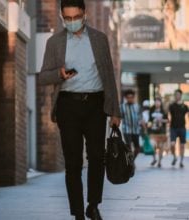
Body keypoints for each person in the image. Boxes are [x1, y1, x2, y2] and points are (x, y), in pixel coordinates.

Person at [38, 0, 121, 219]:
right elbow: (43, 76)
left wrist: (115, 111)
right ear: (61, 17)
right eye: (68, 18)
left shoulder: (100, 40)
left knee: (97, 157)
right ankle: (77, 213)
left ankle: (93, 205)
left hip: (95, 105)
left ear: (84, 14)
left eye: (76, 17)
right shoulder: (55, 43)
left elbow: (109, 77)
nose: (72, 22)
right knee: (72, 162)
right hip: (68, 105)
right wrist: (60, 73)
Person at [169, 89, 188, 168]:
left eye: (178, 94)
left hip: (182, 128)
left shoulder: (185, 106)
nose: (177, 96)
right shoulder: (172, 105)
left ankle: (181, 161)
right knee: (172, 144)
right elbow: (168, 115)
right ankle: (174, 157)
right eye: (175, 94)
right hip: (173, 127)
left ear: (180, 95)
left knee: (182, 145)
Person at [120, 90, 142, 160]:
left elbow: (140, 117)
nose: (130, 99)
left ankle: (132, 160)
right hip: (126, 130)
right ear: (126, 98)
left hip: (136, 130)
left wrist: (143, 126)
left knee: (137, 148)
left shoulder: (137, 106)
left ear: (134, 97)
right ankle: (130, 163)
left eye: (131, 97)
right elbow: (120, 117)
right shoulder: (122, 107)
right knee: (128, 147)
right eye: (128, 97)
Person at [149, 98, 168, 168]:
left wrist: (161, 120)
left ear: (160, 103)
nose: (157, 103)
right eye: (156, 102)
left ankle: (159, 161)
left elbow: (167, 120)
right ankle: (154, 158)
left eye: (158, 102)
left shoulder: (163, 111)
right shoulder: (151, 110)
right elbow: (149, 121)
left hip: (161, 131)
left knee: (161, 147)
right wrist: (151, 123)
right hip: (153, 131)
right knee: (152, 145)